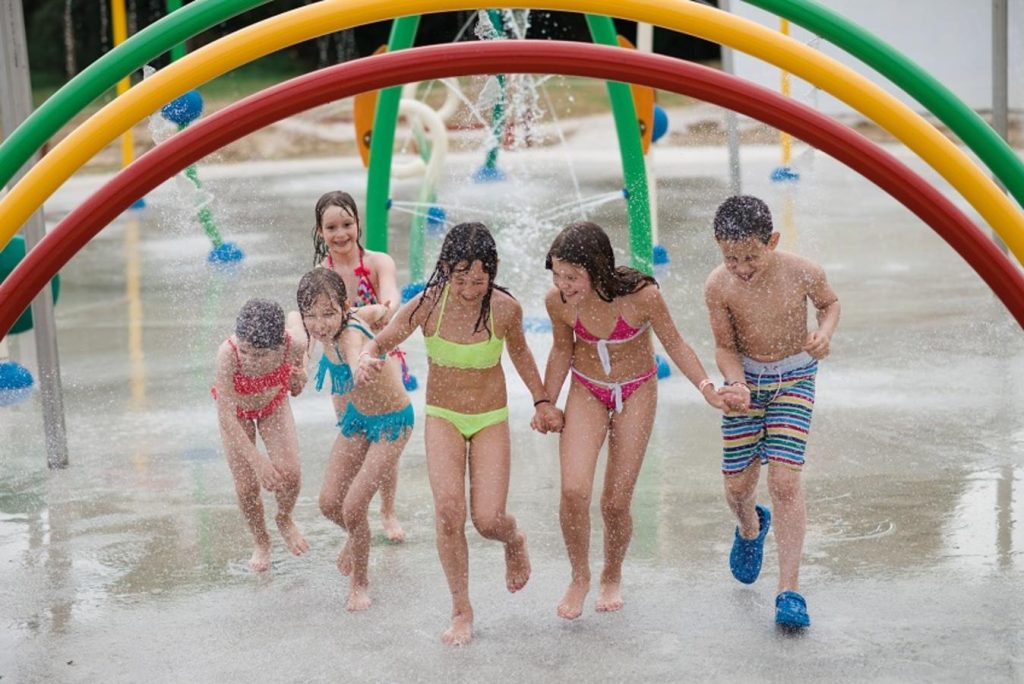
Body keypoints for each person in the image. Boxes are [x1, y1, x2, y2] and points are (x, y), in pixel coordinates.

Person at [357, 222, 562, 646]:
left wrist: (542, 401)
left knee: (488, 520)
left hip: (489, 418)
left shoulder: (504, 309)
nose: (470, 289)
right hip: (443, 417)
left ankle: (514, 539)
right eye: (461, 279)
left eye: (479, 280)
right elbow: (382, 340)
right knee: (449, 513)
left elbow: (522, 356)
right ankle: (461, 609)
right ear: (446, 269)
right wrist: (366, 357)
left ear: (493, 270)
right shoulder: (428, 304)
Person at [539, 221, 734, 620]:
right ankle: (579, 576)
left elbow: (675, 342)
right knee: (573, 491)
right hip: (587, 388)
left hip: (636, 391)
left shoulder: (642, 297)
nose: (563, 285)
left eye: (572, 276)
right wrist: (545, 402)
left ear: (597, 268)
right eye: (557, 274)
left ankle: (612, 573)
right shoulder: (558, 303)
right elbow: (561, 350)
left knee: (615, 502)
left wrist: (706, 387)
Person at [703, 195, 840, 629]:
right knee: (737, 487)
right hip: (745, 385)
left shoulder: (802, 271)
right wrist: (735, 382)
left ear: (773, 241)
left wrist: (824, 331)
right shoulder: (718, 286)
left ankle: (789, 591)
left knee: (784, 481)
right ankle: (750, 526)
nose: (741, 267)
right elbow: (725, 347)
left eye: (751, 256)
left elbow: (830, 304)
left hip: (795, 380)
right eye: (731, 258)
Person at [297, 268, 414, 611]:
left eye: (328, 313)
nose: (320, 324)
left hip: (393, 422)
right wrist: (382, 312)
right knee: (329, 503)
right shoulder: (343, 319)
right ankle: (357, 534)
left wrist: (361, 366)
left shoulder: (348, 334)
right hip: (358, 419)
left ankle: (360, 583)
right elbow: (375, 311)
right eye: (311, 315)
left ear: (344, 308)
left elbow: (354, 355)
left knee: (353, 507)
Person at [312, 190, 410, 541]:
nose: (340, 234)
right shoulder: (321, 274)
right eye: (331, 227)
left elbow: (392, 296)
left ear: (358, 224)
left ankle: (387, 510)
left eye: (347, 224)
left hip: (378, 356)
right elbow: (314, 323)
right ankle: (357, 507)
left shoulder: (377, 262)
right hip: (341, 367)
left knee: (385, 432)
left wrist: (382, 309)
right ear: (320, 231)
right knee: (354, 433)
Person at [213, 298, 310, 572]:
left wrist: (301, 373)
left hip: (273, 404)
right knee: (247, 487)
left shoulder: (293, 344)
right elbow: (225, 417)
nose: (249, 360)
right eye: (245, 351)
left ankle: (284, 518)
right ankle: (261, 540)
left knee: (291, 474)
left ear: (278, 345)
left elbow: (298, 325)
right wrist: (259, 463)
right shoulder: (228, 354)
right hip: (237, 415)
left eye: (259, 355)